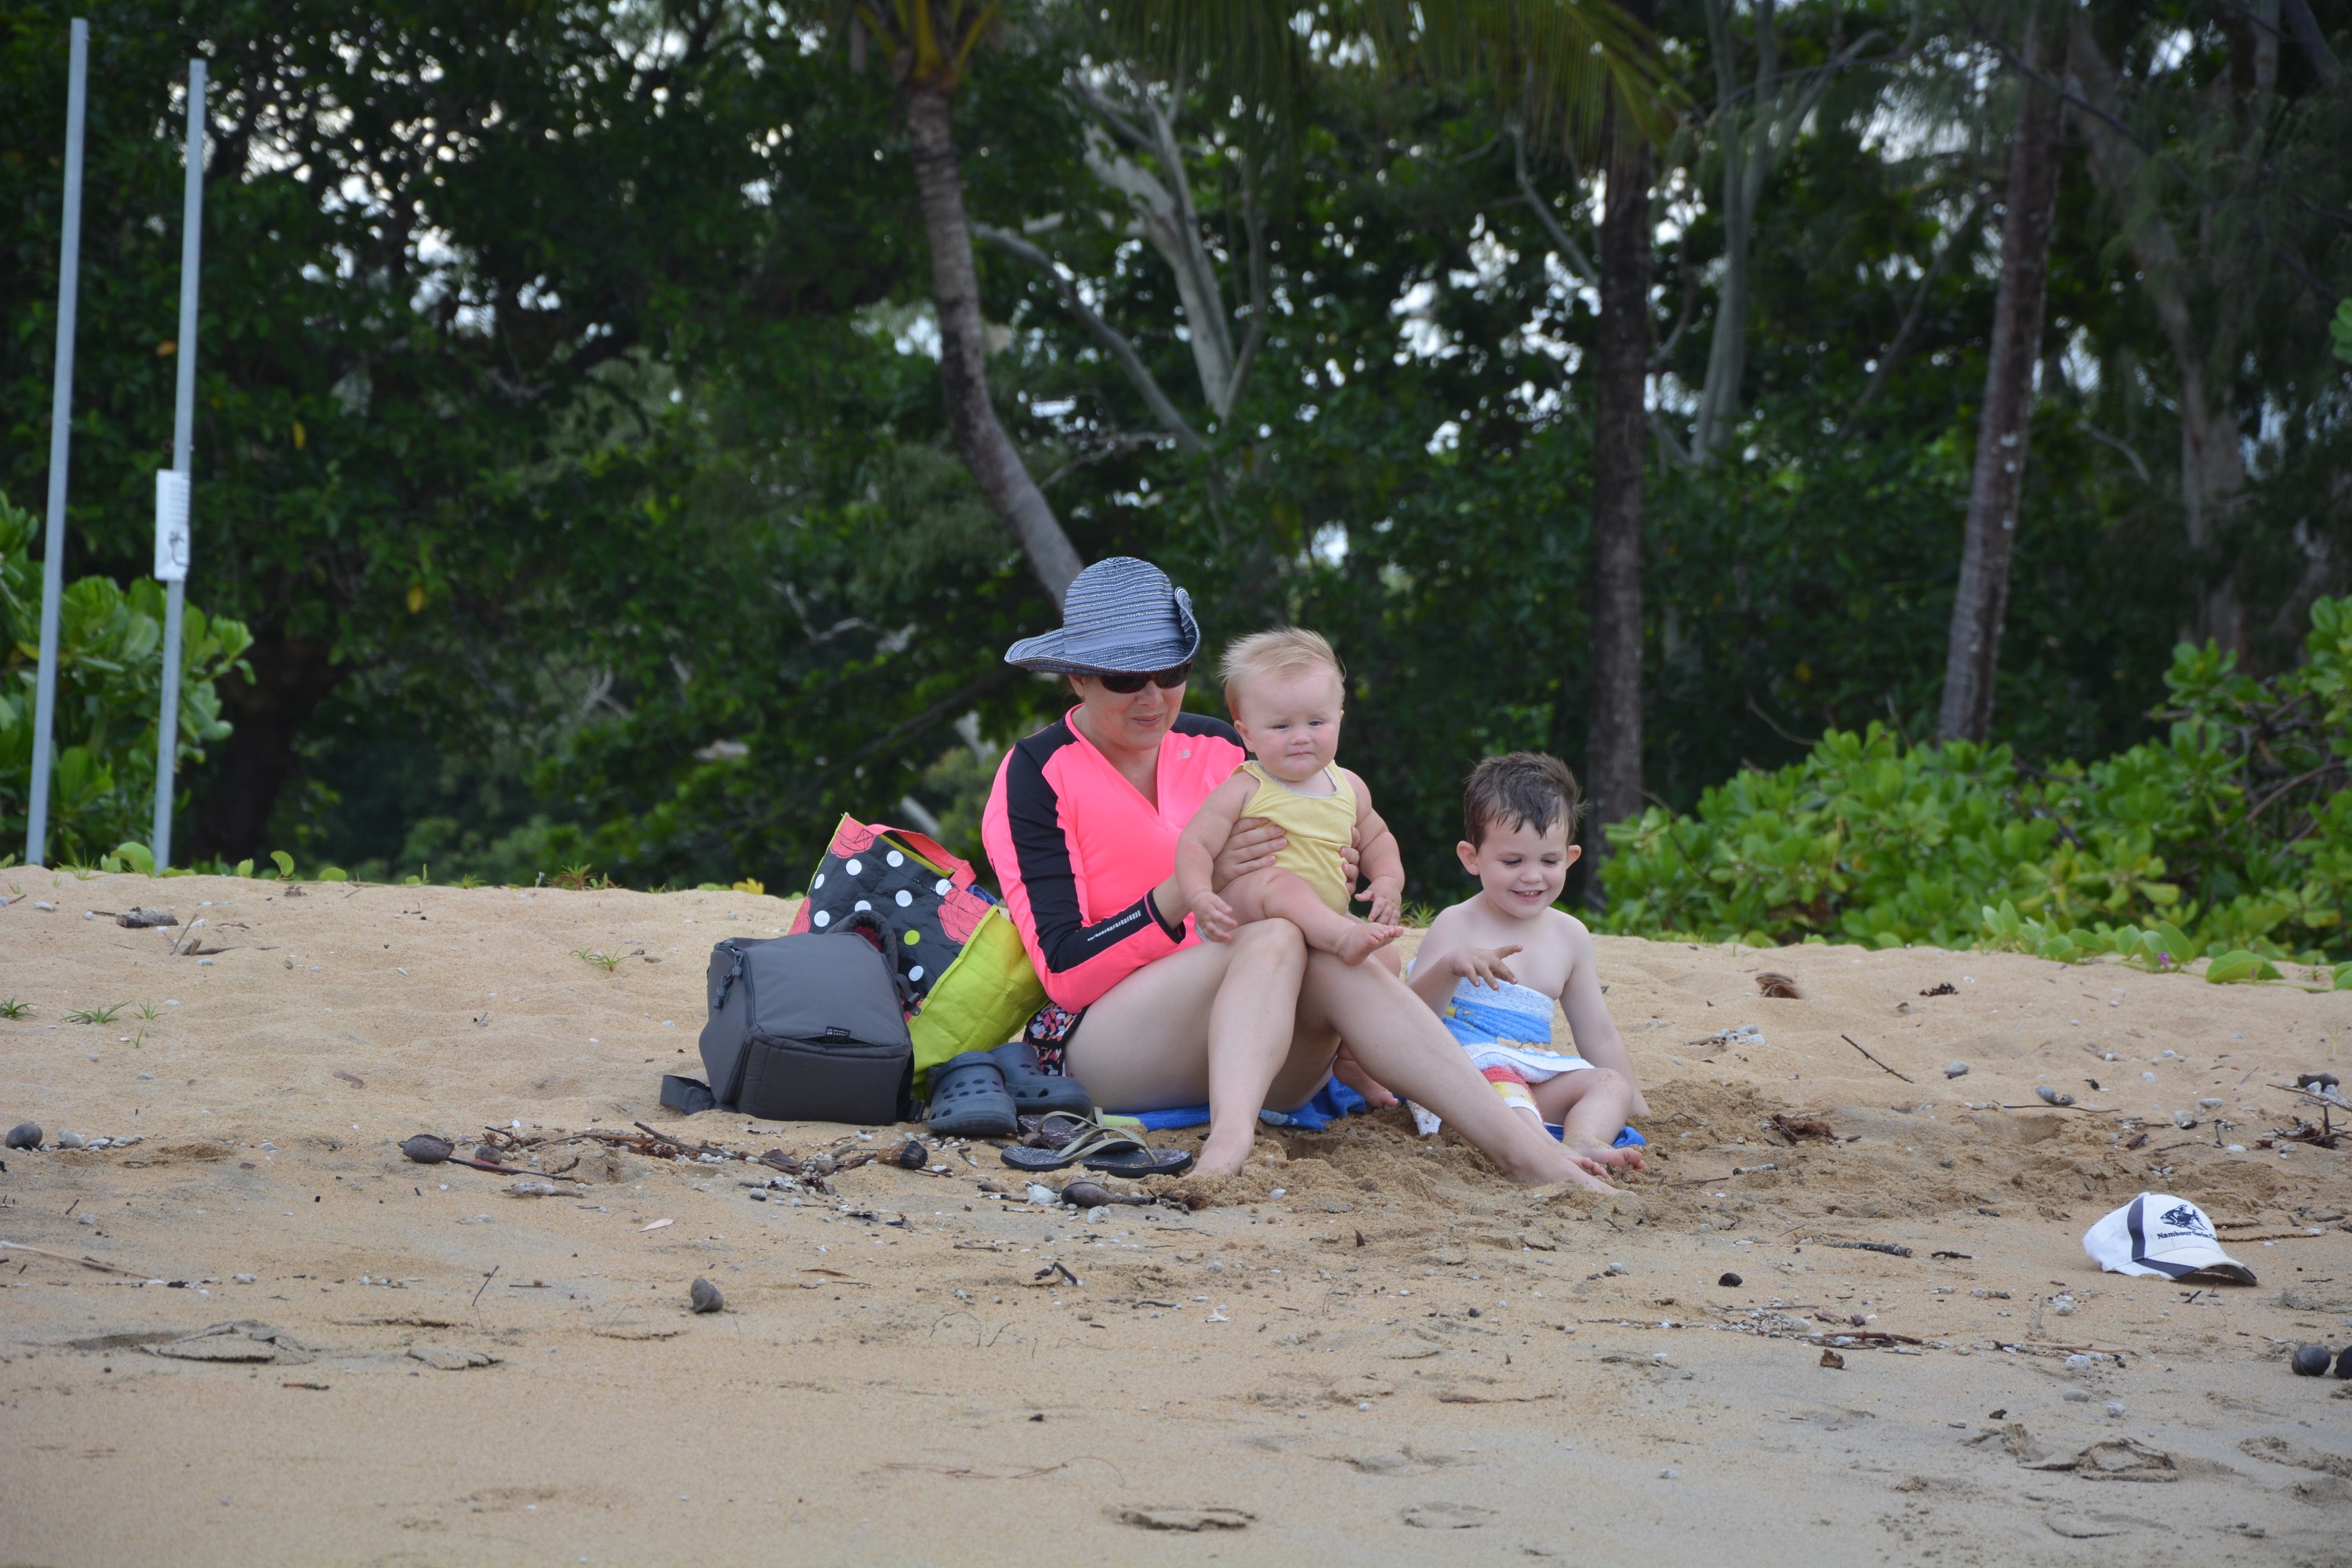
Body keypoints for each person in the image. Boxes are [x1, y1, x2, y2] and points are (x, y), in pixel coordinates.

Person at [979, 558, 1612, 1189]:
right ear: (1077, 678)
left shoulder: (1227, 747)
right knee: (1277, 934)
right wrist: (1186, 889)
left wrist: (1346, 869)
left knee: (1336, 951)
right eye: (1124, 678)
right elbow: (1065, 974)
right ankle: (1231, 1141)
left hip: (1260, 1046)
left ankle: (1525, 1154)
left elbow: (1336, 833)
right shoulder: (1036, 774)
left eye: (1171, 672)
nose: (1153, 696)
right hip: (1105, 1047)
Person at [1408, 752, 1650, 1171]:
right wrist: (1450, 966)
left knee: (1610, 1083)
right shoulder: (1457, 924)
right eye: (1512, 861)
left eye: (1549, 861)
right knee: (1505, 1086)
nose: (1533, 876)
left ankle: (1584, 1140)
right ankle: (1545, 1151)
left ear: (1570, 858)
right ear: (1472, 857)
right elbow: (1408, 1018)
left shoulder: (1570, 936)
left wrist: (1636, 1103)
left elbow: (1599, 1035)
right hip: (1461, 1081)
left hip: (1532, 1074)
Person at [1173, 629, 1406, 967]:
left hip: (1326, 916)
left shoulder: (1349, 786)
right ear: (1247, 735)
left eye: (1315, 722)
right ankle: (1340, 938)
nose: (1300, 737)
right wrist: (1200, 895)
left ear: (1339, 720)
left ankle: (1336, 941)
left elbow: (1377, 838)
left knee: (1387, 958)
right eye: (1281, 726)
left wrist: (1387, 881)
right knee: (1281, 883)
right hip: (1249, 917)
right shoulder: (1244, 788)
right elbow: (1195, 844)